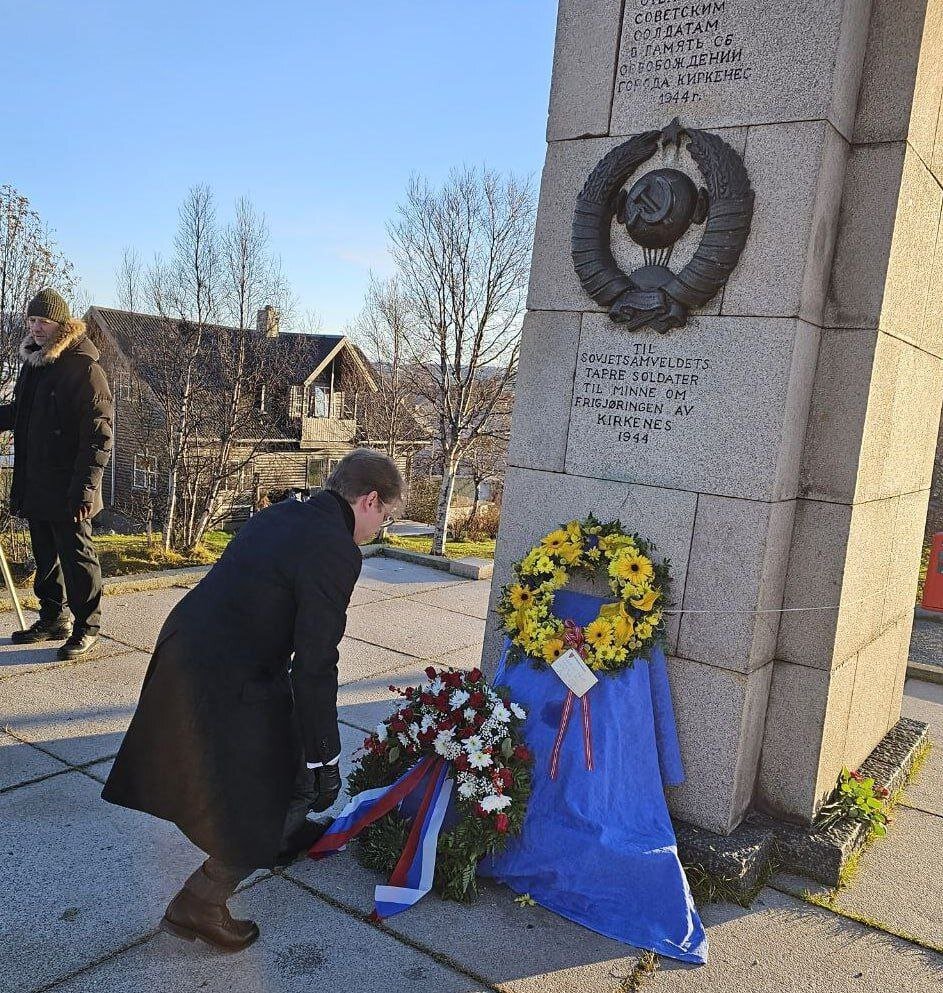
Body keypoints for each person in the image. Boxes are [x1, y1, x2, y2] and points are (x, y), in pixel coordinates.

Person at [102, 448, 403, 952]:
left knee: (279, 763)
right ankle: (202, 900)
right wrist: (325, 754)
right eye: (385, 518)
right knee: (287, 786)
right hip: (224, 671)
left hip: (190, 644)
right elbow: (314, 664)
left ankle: (281, 838)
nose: (380, 529)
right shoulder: (335, 548)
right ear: (369, 499)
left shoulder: (288, 511)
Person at [0, 289, 113, 660]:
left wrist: (84, 490)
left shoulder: (84, 367)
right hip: (36, 481)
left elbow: (99, 436)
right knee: (44, 555)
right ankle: (53, 618)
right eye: (31, 320)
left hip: (70, 486)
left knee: (77, 557)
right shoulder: (35, 364)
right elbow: (22, 412)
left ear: (61, 325)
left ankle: (87, 626)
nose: (35, 328)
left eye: (42, 321)